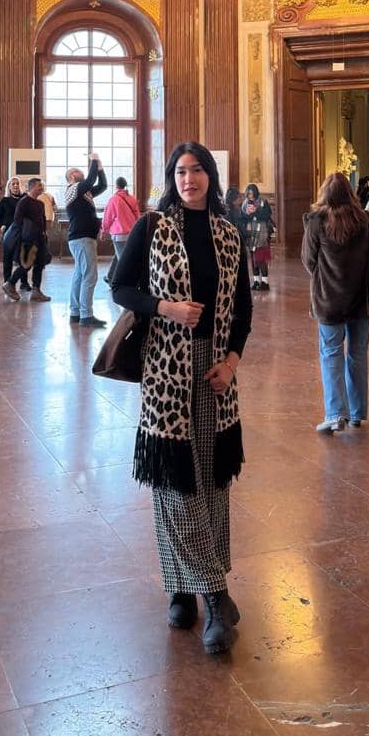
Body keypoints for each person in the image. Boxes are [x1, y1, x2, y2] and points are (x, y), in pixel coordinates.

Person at [112, 142, 252, 656]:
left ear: (210, 176)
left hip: (215, 373)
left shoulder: (229, 234)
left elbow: (242, 312)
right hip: (165, 374)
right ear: (171, 177)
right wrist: (165, 307)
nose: (188, 178)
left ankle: (182, 586)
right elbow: (120, 287)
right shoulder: (152, 227)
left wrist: (231, 363)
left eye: (197, 170)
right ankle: (213, 596)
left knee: (212, 485)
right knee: (174, 484)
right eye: (180, 171)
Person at [302, 172, 369, 433]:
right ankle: (357, 413)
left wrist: (325, 276)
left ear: (325, 193)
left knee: (331, 352)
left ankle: (335, 414)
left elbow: (308, 260)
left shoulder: (316, 221)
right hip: (359, 299)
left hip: (329, 299)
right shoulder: (364, 219)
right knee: (358, 354)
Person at [65, 153, 107, 326]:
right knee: (90, 275)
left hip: (81, 238)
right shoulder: (74, 188)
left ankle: (76, 313)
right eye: (77, 171)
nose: (81, 173)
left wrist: (100, 168)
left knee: (80, 275)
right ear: (71, 177)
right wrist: (94, 160)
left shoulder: (84, 193)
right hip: (82, 238)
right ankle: (86, 315)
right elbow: (89, 180)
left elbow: (102, 185)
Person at [2, 177, 49, 302]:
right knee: (26, 265)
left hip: (40, 238)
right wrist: (24, 239)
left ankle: (36, 291)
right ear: (32, 187)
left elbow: (42, 220)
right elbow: (17, 221)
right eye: (39, 185)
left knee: (40, 264)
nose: (42, 187)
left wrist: (44, 233)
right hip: (28, 240)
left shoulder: (40, 203)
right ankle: (10, 283)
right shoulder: (24, 202)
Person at [101, 176, 140, 285]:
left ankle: (124, 283)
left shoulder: (114, 199)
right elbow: (137, 215)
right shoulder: (132, 198)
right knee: (119, 255)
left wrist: (104, 230)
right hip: (132, 232)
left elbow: (108, 217)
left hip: (119, 234)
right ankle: (110, 277)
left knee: (123, 259)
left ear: (116, 186)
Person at [0, 176, 30, 291]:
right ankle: (7, 282)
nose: (15, 186)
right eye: (13, 184)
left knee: (23, 258)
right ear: (9, 187)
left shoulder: (25, 198)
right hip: (9, 233)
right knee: (8, 258)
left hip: (22, 232)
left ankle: (24, 283)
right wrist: (2, 225)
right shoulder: (5, 200)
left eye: (17, 184)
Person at [241, 183, 274, 291]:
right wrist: (247, 214)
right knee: (253, 258)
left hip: (261, 231)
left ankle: (265, 282)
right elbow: (242, 217)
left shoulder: (263, 201)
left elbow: (267, 214)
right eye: (248, 193)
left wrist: (256, 212)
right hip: (250, 232)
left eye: (252, 193)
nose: (250, 195)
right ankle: (256, 281)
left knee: (260, 257)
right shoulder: (245, 203)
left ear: (255, 192)